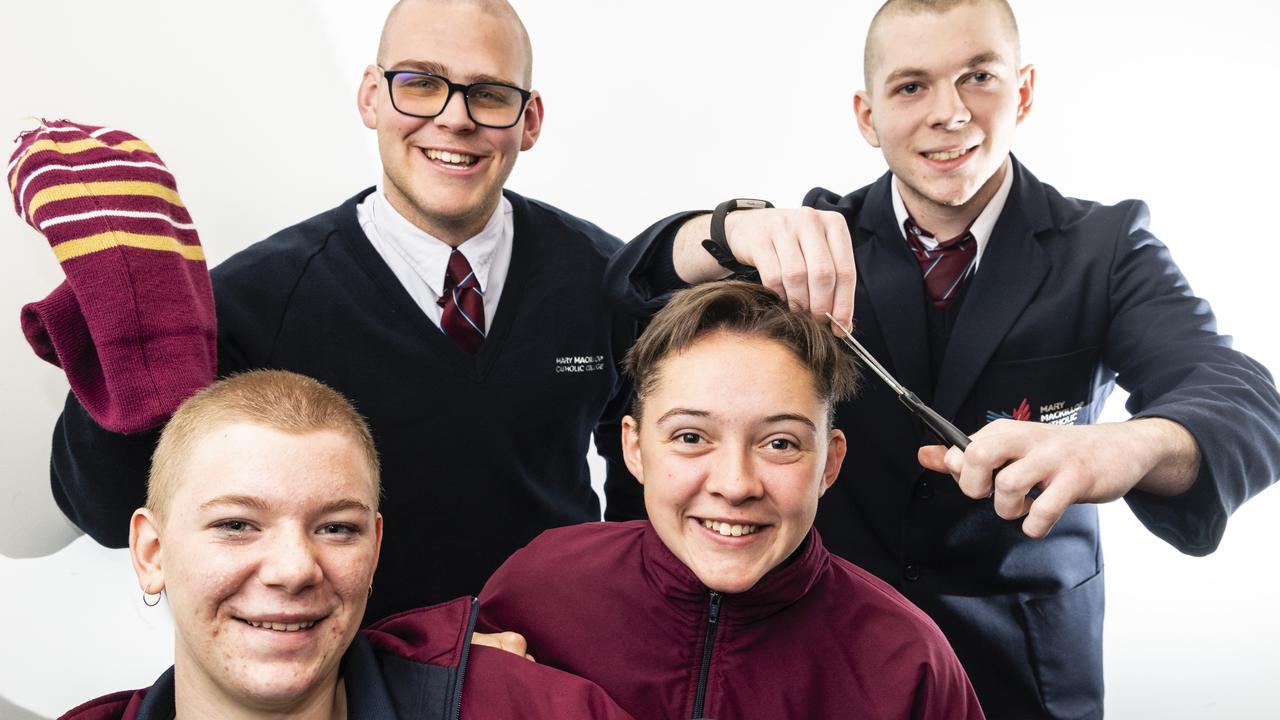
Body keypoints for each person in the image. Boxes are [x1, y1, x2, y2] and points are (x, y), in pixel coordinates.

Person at [603, 1, 1280, 717]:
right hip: (826, 652)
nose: (949, 113)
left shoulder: (1106, 250)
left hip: (1022, 665)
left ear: (1022, 91)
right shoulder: (815, 242)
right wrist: (723, 229)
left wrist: (1129, 445)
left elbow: (1241, 399)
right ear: (867, 116)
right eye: (911, 86)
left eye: (978, 77)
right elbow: (632, 293)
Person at [38, 0, 642, 623]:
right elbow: (110, 512)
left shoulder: (607, 277)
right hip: (348, 678)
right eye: (421, 84)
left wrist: (614, 627)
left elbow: (646, 483)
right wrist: (129, 303)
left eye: (489, 93)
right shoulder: (257, 298)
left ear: (530, 119)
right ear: (371, 97)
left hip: (550, 668)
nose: (455, 118)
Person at [479, 281, 985, 720]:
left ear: (829, 463)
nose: (736, 484)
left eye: (779, 443)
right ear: (633, 448)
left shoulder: (907, 658)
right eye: (691, 437)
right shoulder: (538, 587)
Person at [59, 370, 635, 720]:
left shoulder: (520, 709)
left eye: (336, 528)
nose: (293, 570)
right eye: (237, 525)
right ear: (152, 552)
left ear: (375, 548)